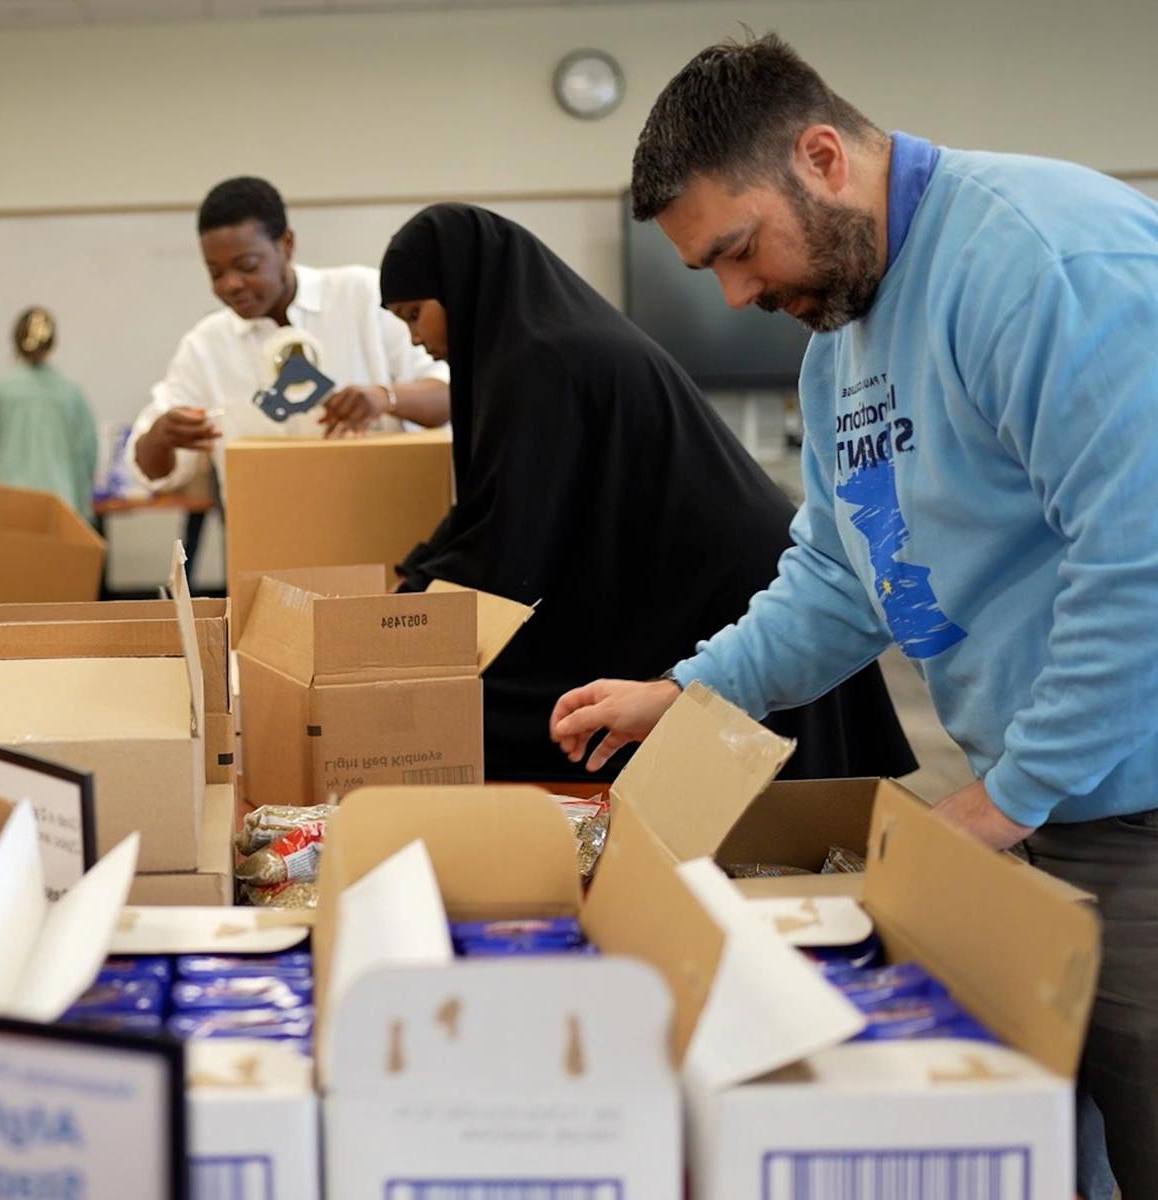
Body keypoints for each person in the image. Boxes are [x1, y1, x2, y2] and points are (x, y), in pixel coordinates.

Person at [548, 33, 1158, 1194]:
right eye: (708, 275)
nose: (738, 295)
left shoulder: (1040, 262)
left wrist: (1004, 802)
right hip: (1050, 801)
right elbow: (839, 576)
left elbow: (1142, 566)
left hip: (1133, 813)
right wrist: (686, 691)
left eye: (739, 250)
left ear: (821, 156)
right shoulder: (842, 346)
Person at [380, 203, 912, 782]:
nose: (416, 338)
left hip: (733, 588)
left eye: (415, 313)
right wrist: (421, 573)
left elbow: (515, 526)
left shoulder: (541, 359)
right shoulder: (534, 347)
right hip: (697, 571)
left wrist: (414, 605)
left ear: (461, 285)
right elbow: (495, 502)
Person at [128, 176, 450, 495]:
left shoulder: (363, 296)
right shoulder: (206, 347)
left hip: (381, 520)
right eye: (215, 273)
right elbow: (151, 472)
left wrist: (384, 398)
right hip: (265, 534)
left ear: (287, 244)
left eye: (247, 266)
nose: (230, 284)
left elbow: (449, 397)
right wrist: (160, 436)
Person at [0, 307, 99, 524]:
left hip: (7, 505)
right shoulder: (72, 396)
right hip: (60, 507)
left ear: (15, 340)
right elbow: (88, 456)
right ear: (53, 343)